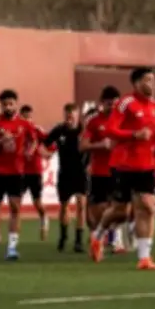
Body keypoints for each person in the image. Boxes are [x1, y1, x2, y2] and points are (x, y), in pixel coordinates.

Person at [90, 67, 155, 270]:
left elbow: (151, 132)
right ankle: (98, 235)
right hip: (124, 164)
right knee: (120, 211)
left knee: (146, 207)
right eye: (148, 80)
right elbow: (111, 129)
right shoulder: (125, 103)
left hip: (146, 165)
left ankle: (144, 258)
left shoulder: (153, 104)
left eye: (154, 80)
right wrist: (134, 135)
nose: (153, 84)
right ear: (136, 83)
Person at [0, 89, 37, 260]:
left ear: (16, 104)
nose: (8, 107)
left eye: (11, 104)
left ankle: (12, 247)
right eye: (5, 104)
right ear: (1, 106)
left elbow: (34, 140)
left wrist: (30, 151)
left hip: (16, 172)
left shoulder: (24, 124)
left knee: (15, 208)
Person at [81, 86, 122, 251]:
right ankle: (100, 236)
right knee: (99, 209)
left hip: (119, 170)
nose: (112, 107)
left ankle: (116, 239)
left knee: (119, 208)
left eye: (115, 104)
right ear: (102, 103)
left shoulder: (124, 121)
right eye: (109, 103)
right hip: (99, 172)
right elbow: (82, 146)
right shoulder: (94, 122)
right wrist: (100, 145)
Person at [43, 103, 87, 253]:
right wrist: (46, 154)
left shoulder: (84, 130)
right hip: (65, 173)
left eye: (73, 115)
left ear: (77, 115)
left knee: (81, 205)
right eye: (68, 115)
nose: (70, 118)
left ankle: (79, 240)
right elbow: (44, 144)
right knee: (64, 206)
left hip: (81, 172)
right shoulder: (59, 130)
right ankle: (63, 236)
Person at [20, 105, 50, 242]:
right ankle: (15, 234)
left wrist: (45, 152)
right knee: (16, 201)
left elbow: (51, 143)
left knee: (37, 201)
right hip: (20, 170)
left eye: (29, 117)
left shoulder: (37, 130)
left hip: (35, 171)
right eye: (24, 117)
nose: (27, 120)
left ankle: (44, 218)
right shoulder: (17, 130)